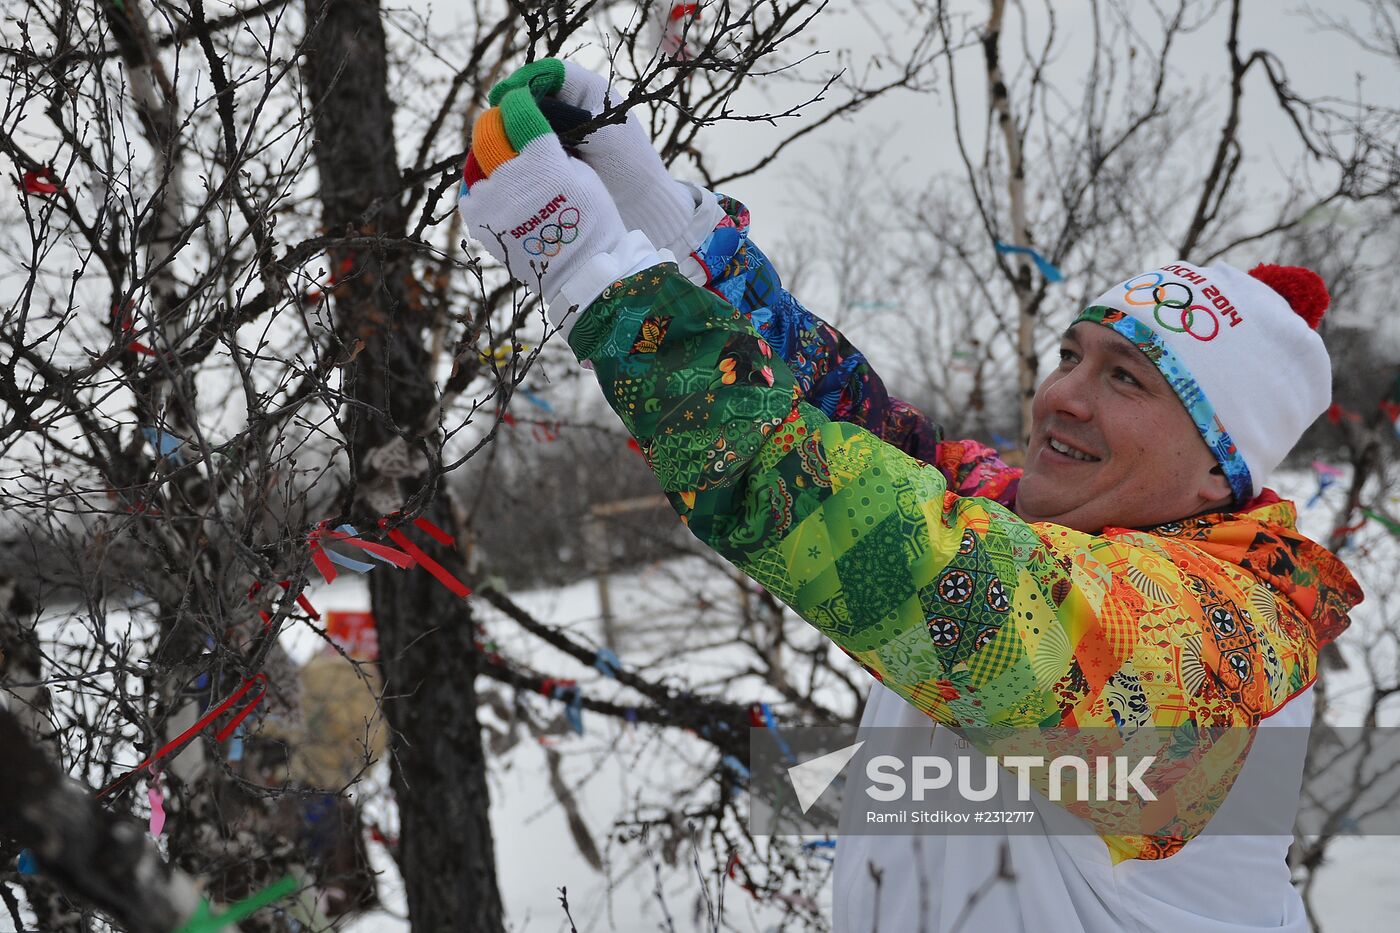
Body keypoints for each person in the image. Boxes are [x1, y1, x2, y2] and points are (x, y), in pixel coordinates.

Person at [458, 60, 1363, 932]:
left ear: (1220, 466)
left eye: (1126, 379)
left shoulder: (1232, 642)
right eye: (1069, 354)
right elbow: (860, 430)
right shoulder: (1022, 512)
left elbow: (914, 561)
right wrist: (659, 225)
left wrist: (604, 290)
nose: (1061, 396)